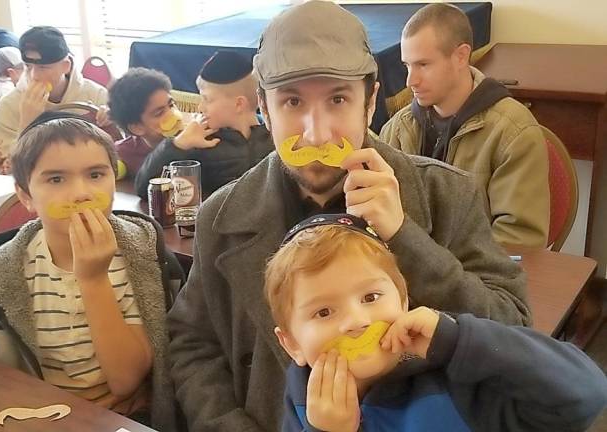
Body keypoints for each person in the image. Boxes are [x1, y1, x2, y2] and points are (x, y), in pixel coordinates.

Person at [167, 2, 531, 430]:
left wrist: (406, 238)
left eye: (338, 99)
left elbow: (514, 332)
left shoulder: (445, 194)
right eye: (291, 101)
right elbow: (193, 345)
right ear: (263, 106)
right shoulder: (221, 216)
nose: (317, 133)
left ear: (370, 100)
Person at [266, 213, 607, 432]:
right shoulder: (304, 406)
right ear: (292, 343)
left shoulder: (456, 380)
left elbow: (585, 395)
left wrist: (458, 342)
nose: (357, 322)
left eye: (371, 298)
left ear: (403, 302)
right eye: (323, 312)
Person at [0, 112, 184, 431]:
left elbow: (126, 382)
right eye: (56, 179)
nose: (81, 193)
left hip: (126, 416)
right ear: (26, 196)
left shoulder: (139, 256)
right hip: (41, 415)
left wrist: (93, 278)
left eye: (95, 174)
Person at [379, 3, 549, 248]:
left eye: (423, 65)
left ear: (461, 56)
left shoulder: (514, 133)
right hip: (408, 276)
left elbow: (519, 243)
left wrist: (443, 272)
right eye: (407, 65)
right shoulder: (397, 129)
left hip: (475, 280)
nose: (410, 81)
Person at [124, 52, 273, 198]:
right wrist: (177, 144)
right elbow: (145, 189)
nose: (200, 107)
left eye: (206, 99)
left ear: (239, 104)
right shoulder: (200, 141)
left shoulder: (274, 137)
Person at [0, 26, 109, 175]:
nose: (34, 76)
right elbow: (5, 170)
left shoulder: (95, 94)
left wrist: (110, 119)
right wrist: (27, 123)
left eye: (43, 67)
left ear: (66, 66)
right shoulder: (9, 105)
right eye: (28, 67)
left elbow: (118, 154)